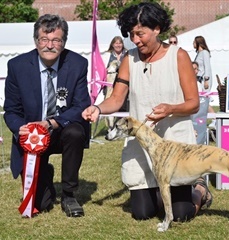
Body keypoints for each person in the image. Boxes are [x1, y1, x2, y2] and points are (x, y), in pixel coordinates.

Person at [82, 2, 212, 222]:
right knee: (142, 213)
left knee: (180, 215)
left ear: (157, 29)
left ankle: (200, 191)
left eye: (140, 34)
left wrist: (171, 108)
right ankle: (156, 191)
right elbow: (115, 99)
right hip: (142, 148)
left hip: (174, 145)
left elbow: (193, 104)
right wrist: (97, 108)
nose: (135, 40)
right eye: (132, 34)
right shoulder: (128, 59)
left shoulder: (179, 56)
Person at [3, 14, 91, 217]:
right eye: (44, 39)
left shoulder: (78, 64)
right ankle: (45, 174)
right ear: (36, 41)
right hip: (33, 137)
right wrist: (20, 128)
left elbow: (80, 105)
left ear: (64, 42)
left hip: (62, 129)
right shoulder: (17, 66)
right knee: (41, 204)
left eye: (56, 40)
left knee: (76, 131)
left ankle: (69, 194)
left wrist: (51, 122)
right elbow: (11, 110)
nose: (49, 45)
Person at [193, 36, 216, 129]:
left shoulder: (204, 53)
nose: (193, 44)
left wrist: (206, 79)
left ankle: (214, 118)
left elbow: (207, 67)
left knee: (204, 101)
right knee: (200, 101)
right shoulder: (198, 54)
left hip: (204, 80)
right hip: (198, 80)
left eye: (194, 42)